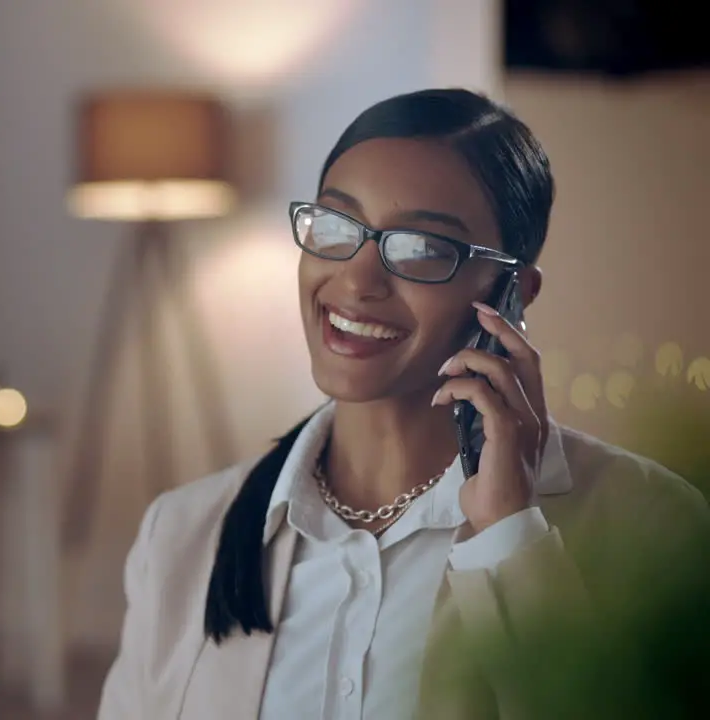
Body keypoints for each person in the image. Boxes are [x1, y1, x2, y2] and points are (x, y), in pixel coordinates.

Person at [96, 88, 709, 719]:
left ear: (512, 292)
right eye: (336, 227)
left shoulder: (652, 526)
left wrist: (509, 536)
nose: (358, 282)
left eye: (420, 248)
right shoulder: (181, 535)